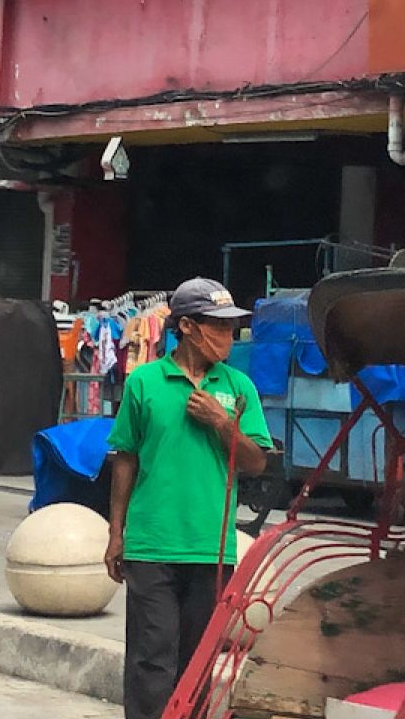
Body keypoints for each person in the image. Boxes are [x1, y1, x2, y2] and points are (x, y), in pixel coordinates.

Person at [104, 277, 272, 719]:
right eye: (219, 326)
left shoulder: (239, 388)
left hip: (211, 547)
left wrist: (222, 422)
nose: (228, 338)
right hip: (151, 544)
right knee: (150, 662)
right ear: (189, 327)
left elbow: (256, 462)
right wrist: (115, 533)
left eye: (232, 328)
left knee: (197, 665)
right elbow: (126, 459)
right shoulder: (144, 383)